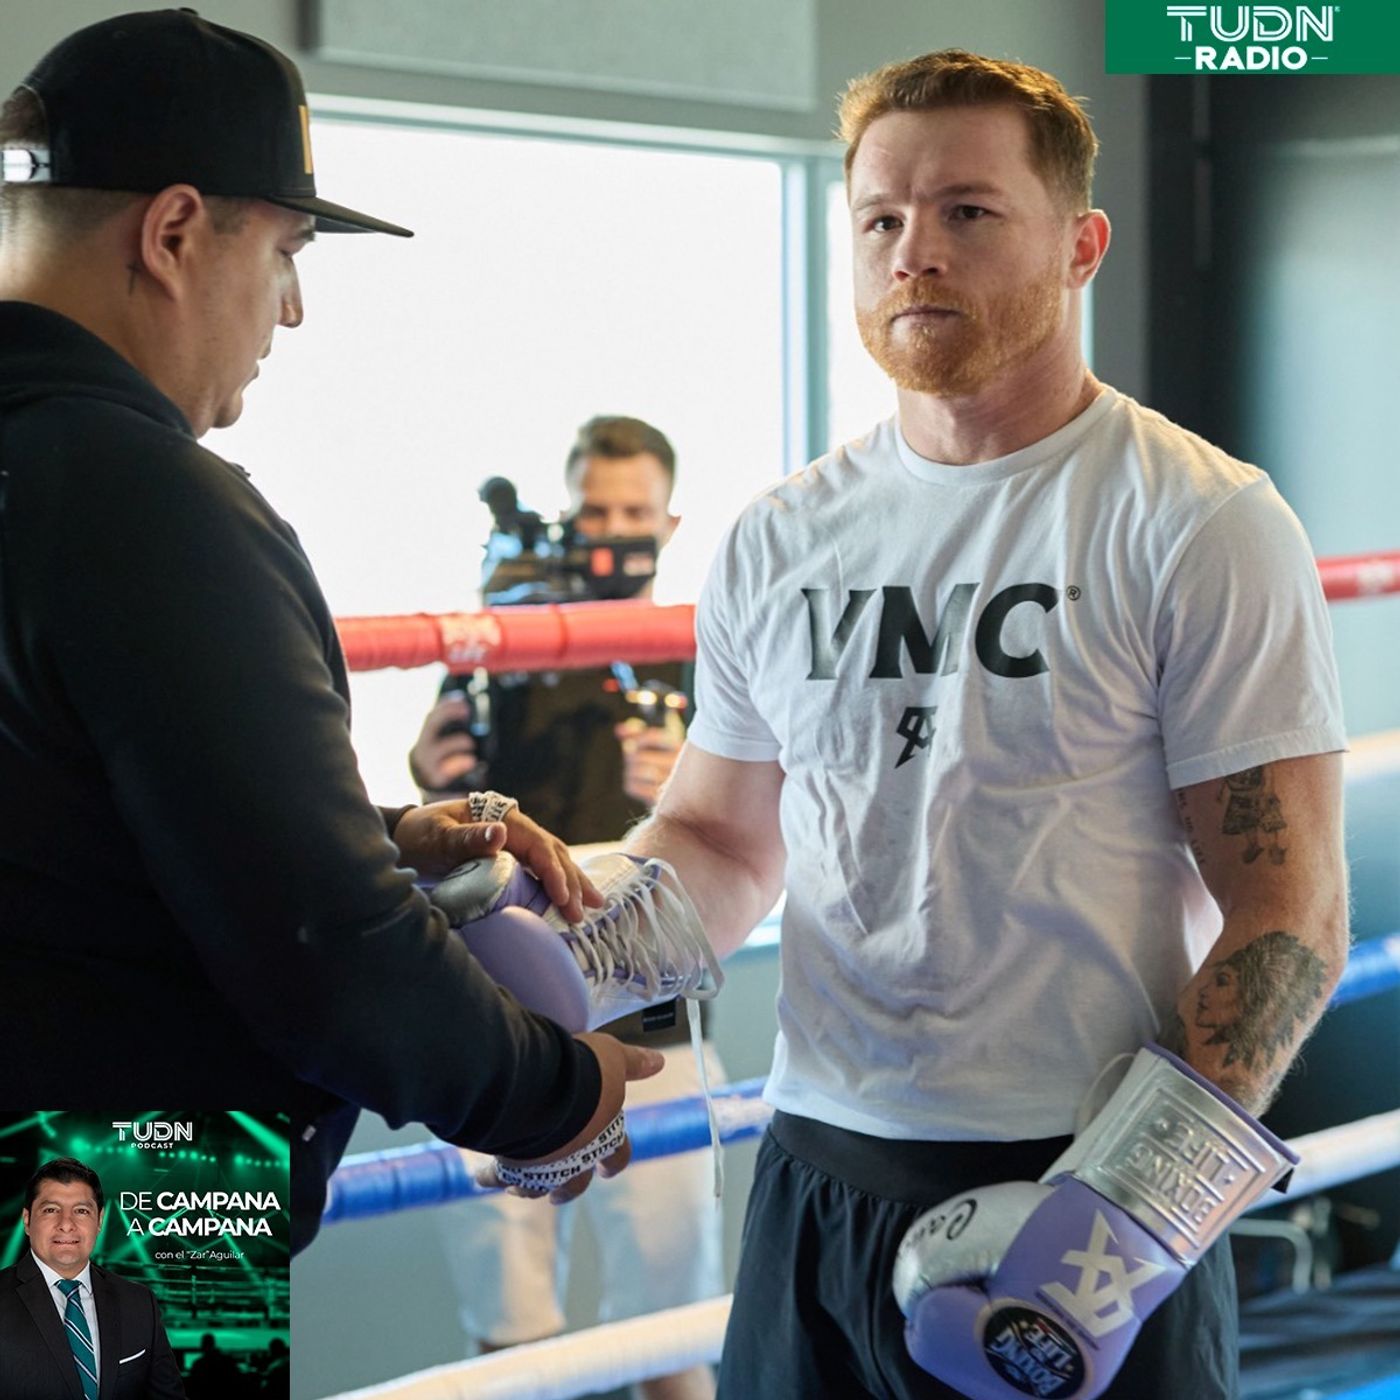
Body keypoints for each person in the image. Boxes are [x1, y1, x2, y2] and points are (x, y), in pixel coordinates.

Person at [624, 49, 1349, 1398]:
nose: (916, 256)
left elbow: (1288, 913)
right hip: (818, 1168)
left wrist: (1120, 1224)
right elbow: (723, 838)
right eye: (882, 221)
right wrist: (569, 989)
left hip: (1079, 1171)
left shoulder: (1195, 519)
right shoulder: (781, 538)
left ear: (1081, 245)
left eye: (968, 212)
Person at [0, 10, 661, 1258]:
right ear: (176, 232)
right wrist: (556, 1089)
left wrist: (373, 835)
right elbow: (319, 942)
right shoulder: (141, 497)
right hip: (122, 1203)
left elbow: (74, 801)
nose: (290, 311)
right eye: (286, 251)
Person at [411, 417, 723, 1400]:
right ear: (562, 513)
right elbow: (433, 826)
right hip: (488, 1020)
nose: (612, 530)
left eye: (634, 511)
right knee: (507, 1338)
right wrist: (423, 775)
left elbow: (757, 834)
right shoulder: (496, 642)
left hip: (652, 1028)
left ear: (669, 523)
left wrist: (687, 787)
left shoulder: (700, 655)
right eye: (595, 509)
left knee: (667, 1336)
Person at [0, 1156, 186, 1399]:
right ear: (27, 1221)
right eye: (50, 1210)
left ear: (99, 1220)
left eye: (81, 1211)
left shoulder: (139, 1302)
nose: (66, 1224)